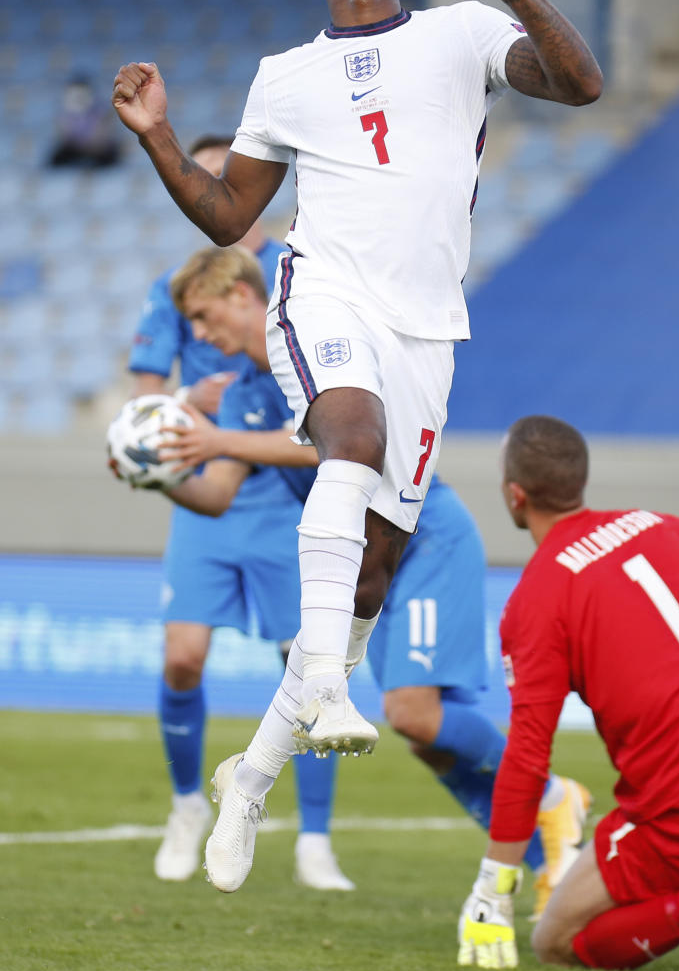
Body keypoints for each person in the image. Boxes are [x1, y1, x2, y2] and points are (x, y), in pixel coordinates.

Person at [111, 0, 604, 849]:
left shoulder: (465, 31)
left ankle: (249, 778)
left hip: (426, 325)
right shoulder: (284, 77)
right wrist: (157, 135)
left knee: (371, 580)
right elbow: (226, 217)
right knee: (352, 435)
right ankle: (328, 684)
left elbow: (580, 84)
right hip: (325, 290)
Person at [158, 245, 592, 903]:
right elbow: (217, 492)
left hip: (421, 539)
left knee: (415, 714)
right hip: (358, 568)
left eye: (202, 312)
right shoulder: (243, 393)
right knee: (428, 735)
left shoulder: (320, 354)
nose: (196, 332)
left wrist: (220, 439)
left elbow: (344, 440)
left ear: (243, 297)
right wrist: (158, 475)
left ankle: (556, 797)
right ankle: (542, 856)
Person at [457, 415, 679, 971]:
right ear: (580, 480)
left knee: (557, 939)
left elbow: (527, 756)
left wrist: (494, 886)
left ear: (514, 494)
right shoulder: (662, 525)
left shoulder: (536, 601)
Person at [126, 136, 352, 891]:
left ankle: (313, 839)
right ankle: (188, 803)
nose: (215, 188)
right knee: (183, 656)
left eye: (228, 175)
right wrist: (178, 419)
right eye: (203, 177)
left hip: (282, 491)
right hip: (214, 471)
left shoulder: (300, 269)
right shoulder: (176, 284)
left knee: (305, 662)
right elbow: (144, 397)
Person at [48, 73, 122, 168]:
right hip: (75, 152)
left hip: (100, 154)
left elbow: (101, 140)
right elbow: (63, 137)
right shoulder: (64, 113)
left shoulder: (102, 112)